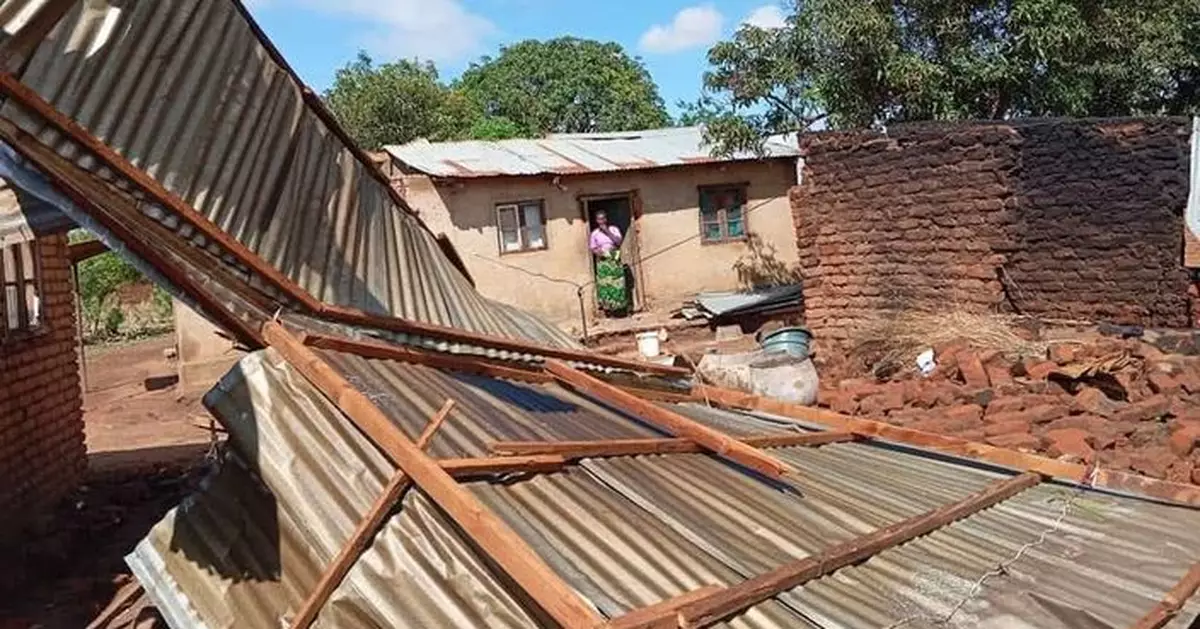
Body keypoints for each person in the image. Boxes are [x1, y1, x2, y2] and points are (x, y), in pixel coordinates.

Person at [588, 211, 628, 314]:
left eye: (603, 219)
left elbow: (618, 242)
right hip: (603, 262)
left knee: (617, 284)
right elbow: (593, 248)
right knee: (605, 285)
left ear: (606, 219)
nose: (601, 221)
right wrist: (600, 253)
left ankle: (620, 309)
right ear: (596, 221)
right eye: (599, 219)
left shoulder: (614, 229)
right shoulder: (594, 234)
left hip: (614, 260)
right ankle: (608, 310)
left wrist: (607, 232)